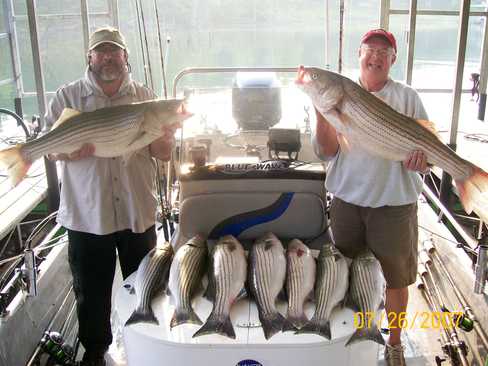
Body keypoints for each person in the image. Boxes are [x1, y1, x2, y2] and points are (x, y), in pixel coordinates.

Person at [44, 27, 178, 366]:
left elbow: (163, 154)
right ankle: (95, 353)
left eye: (114, 51)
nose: (108, 58)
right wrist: (66, 153)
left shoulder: (146, 98)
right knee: (91, 294)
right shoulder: (67, 97)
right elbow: (50, 150)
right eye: (100, 52)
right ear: (89, 57)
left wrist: (166, 134)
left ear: (125, 56)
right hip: (88, 215)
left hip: (137, 210)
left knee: (145, 287)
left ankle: (146, 344)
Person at [312, 29, 429, 366]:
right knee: (347, 272)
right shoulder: (334, 96)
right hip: (348, 202)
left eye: (384, 51)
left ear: (393, 60)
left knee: (396, 279)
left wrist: (421, 161)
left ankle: (393, 344)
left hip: (395, 205)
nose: (376, 56)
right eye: (369, 50)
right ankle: (351, 337)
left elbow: (425, 152)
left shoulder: (407, 98)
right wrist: (322, 114)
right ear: (359, 55)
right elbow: (326, 151)